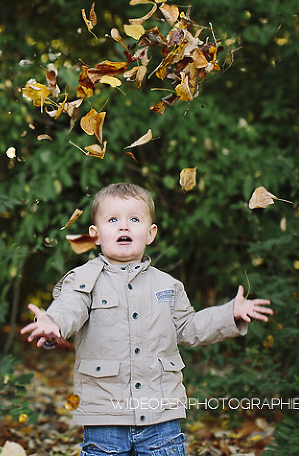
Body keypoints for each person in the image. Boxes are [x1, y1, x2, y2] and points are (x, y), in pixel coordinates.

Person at [21, 183, 273, 456]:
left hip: (161, 415)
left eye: (134, 219)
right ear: (95, 234)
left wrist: (228, 314)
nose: (123, 226)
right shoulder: (84, 279)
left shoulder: (168, 285)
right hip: (105, 417)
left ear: (151, 233)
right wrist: (54, 322)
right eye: (113, 219)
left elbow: (188, 328)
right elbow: (71, 306)